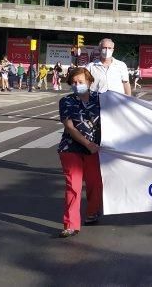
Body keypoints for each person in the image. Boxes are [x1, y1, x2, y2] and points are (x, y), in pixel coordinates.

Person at [57, 67, 102, 238]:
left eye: (81, 82)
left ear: (89, 82)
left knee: (95, 183)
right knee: (73, 186)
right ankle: (70, 224)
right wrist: (87, 144)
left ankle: (92, 212)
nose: (77, 85)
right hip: (71, 148)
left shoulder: (101, 99)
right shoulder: (66, 101)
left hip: (95, 148)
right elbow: (69, 127)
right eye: (74, 82)